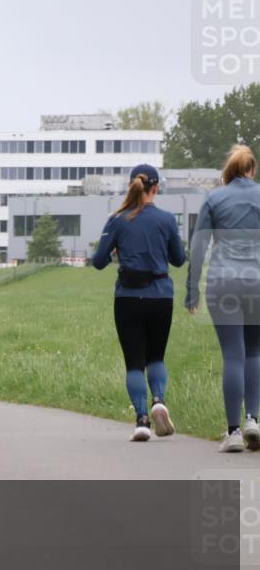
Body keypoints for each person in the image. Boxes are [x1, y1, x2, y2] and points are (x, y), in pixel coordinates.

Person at [92, 163, 185, 442]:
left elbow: (98, 262)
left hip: (128, 299)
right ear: (156, 188)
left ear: (131, 185)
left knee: (134, 363)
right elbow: (178, 259)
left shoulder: (117, 219)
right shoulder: (167, 219)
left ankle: (142, 420)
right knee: (156, 356)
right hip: (161, 297)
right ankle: (159, 400)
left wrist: (116, 254)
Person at [186, 145, 260, 453]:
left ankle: (232, 432)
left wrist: (192, 290)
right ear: (252, 170)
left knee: (233, 353)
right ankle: (253, 419)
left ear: (228, 172)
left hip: (223, 281)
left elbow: (199, 246)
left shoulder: (214, 198)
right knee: (254, 351)